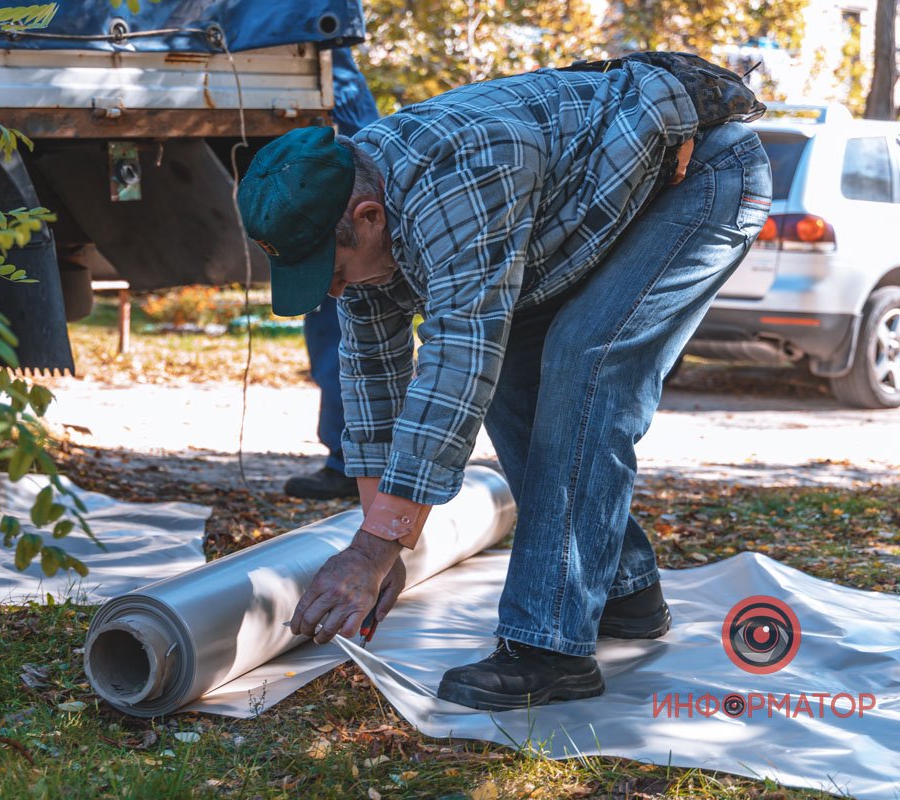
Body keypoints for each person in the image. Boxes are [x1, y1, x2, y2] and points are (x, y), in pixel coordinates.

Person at [237, 53, 770, 710]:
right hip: (590, 212)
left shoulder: (457, 178)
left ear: (369, 216)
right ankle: (625, 592)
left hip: (702, 177)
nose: (336, 288)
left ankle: (549, 647)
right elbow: (373, 383)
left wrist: (376, 548)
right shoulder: (350, 205)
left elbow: (458, 358)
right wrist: (381, 542)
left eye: (335, 268)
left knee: (585, 365)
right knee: (516, 380)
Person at [283, 47, 380, 501]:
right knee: (337, 317)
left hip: (335, 127)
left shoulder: (331, 91)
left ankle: (356, 464)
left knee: (355, 322)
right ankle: (354, 461)